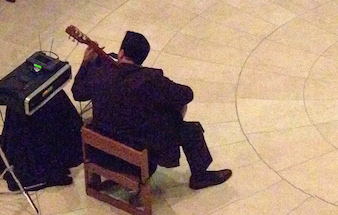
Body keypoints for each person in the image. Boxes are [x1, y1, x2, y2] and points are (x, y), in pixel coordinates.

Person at [71, 30, 233, 190]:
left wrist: (86, 63)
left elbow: (77, 93)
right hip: (138, 163)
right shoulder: (150, 79)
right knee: (190, 129)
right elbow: (186, 95)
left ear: (121, 53)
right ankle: (200, 176)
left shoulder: (100, 73)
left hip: (101, 154)